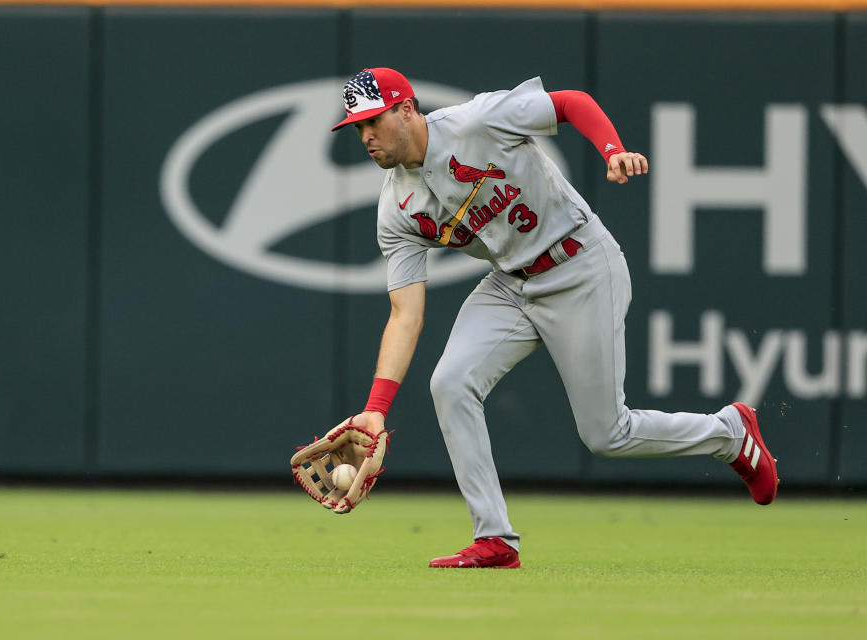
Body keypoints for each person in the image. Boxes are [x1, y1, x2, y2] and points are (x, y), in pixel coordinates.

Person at [331, 67, 778, 569]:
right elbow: (405, 312)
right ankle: (495, 539)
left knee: (608, 435)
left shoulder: (477, 121)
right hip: (511, 283)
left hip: (581, 265)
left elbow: (569, 102)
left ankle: (730, 433)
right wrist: (376, 408)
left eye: (374, 120)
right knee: (451, 383)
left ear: (406, 108)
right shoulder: (396, 208)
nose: (366, 135)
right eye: (356, 127)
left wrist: (612, 150)